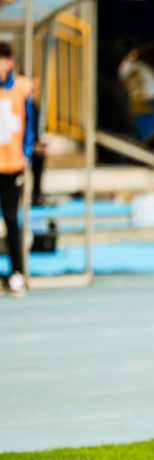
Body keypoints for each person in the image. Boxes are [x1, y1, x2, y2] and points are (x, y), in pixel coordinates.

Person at [0, 42, 35, 298]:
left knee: (12, 219)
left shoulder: (21, 88)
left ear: (10, 61)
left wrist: (27, 154)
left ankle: (17, 272)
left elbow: (29, 124)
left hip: (12, 165)